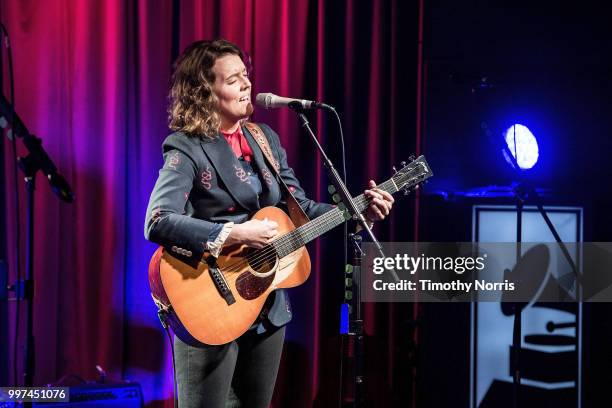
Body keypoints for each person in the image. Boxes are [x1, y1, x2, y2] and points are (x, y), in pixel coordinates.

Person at [144, 39, 394, 408]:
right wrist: (235, 233)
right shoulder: (186, 147)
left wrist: (359, 212)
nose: (246, 84)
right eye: (233, 80)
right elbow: (158, 221)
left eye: (245, 75)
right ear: (205, 93)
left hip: (267, 307)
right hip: (209, 302)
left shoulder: (265, 140)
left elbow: (301, 209)